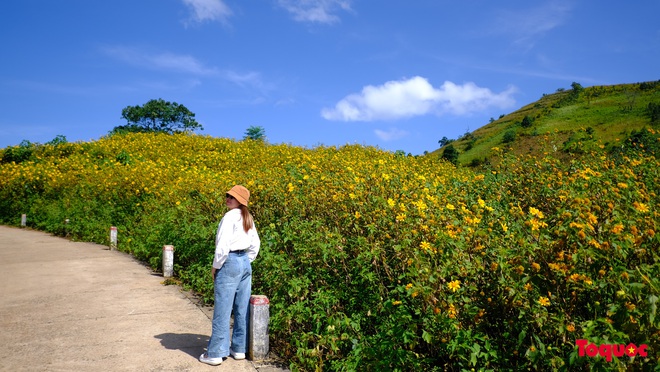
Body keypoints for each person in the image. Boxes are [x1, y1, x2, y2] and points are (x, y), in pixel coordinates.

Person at [200, 185, 260, 366]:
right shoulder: (247, 217)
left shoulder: (229, 217)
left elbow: (223, 245)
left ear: (240, 201)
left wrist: (216, 266)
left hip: (230, 260)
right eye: (227, 196)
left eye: (232, 197)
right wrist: (245, 260)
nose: (227, 199)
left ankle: (216, 353)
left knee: (223, 309)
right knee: (241, 308)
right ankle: (239, 349)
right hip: (244, 263)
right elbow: (255, 244)